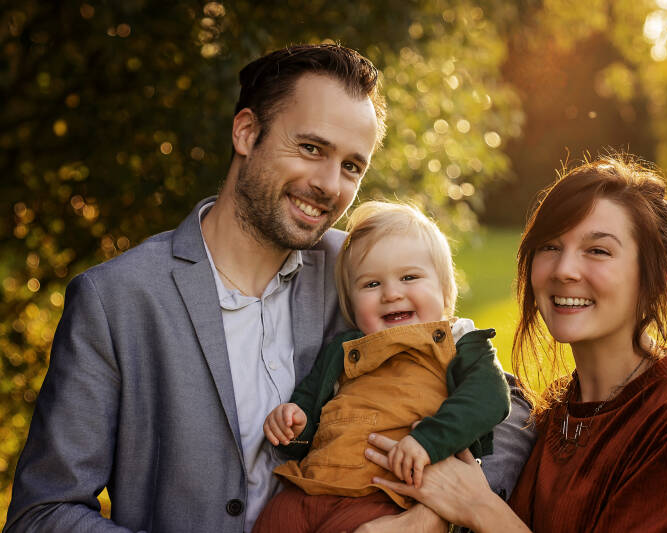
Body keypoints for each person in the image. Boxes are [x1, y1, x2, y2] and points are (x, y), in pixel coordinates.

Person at [4, 44, 535, 533]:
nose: (329, 184)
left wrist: (429, 519)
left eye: (352, 166)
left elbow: (508, 405)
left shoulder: (364, 272)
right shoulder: (116, 299)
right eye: (310, 147)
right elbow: (43, 515)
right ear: (245, 132)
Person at [361, 155, 667, 532]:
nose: (564, 270)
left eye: (598, 250)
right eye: (549, 246)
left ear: (653, 277)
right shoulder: (557, 409)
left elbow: (477, 504)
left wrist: (481, 509)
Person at [254, 201, 511, 533]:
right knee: (273, 520)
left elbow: (489, 398)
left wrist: (428, 441)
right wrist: (294, 422)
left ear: (445, 291)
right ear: (350, 304)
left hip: (384, 498)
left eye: (409, 277)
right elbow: (309, 403)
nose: (391, 294)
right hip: (309, 488)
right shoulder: (343, 350)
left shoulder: (460, 340)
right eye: (371, 284)